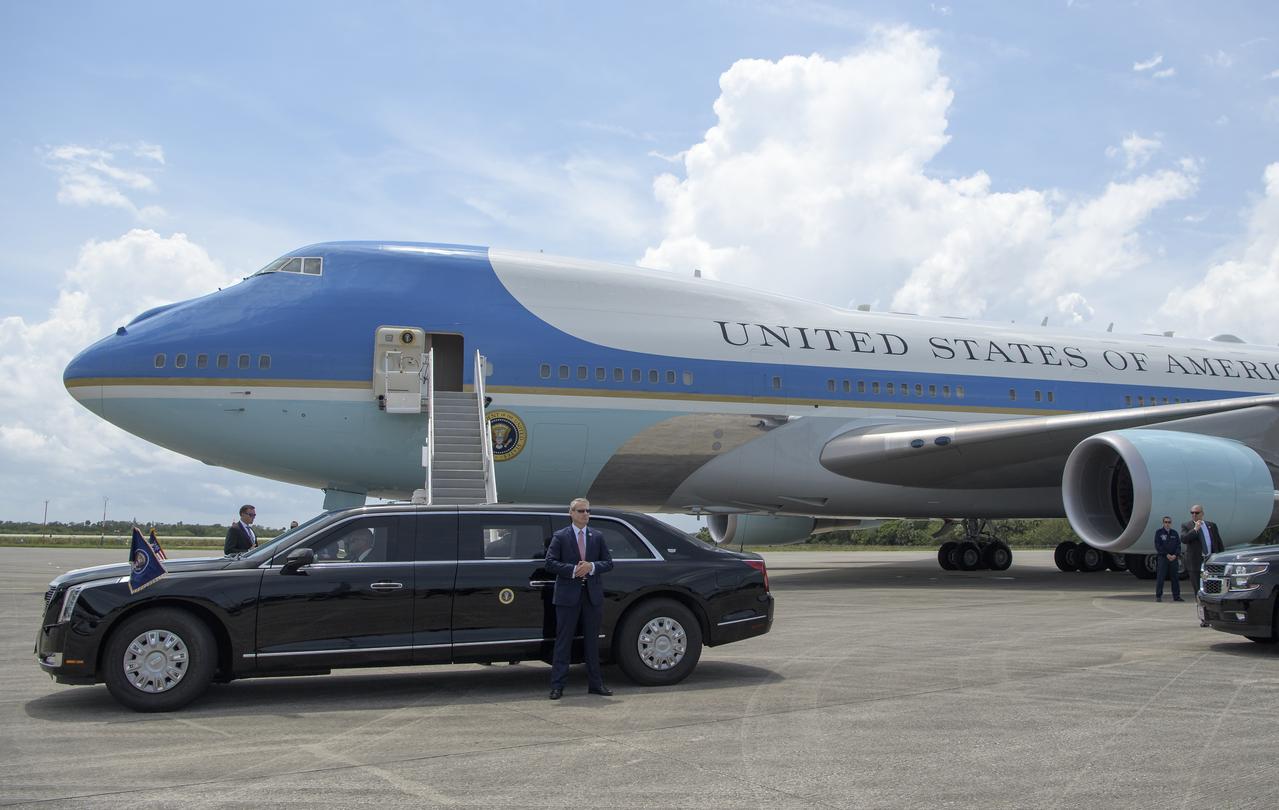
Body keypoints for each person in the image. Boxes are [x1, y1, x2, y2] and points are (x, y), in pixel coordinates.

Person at [545, 497, 614, 700]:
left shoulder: (597, 536)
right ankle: (557, 686)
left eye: (588, 511)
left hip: (591, 596)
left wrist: (591, 567)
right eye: (581, 511)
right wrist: (575, 570)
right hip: (567, 597)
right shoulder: (561, 536)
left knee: (592, 642)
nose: (585, 514)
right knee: (563, 642)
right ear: (571, 513)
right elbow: (550, 563)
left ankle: (596, 684)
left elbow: (608, 563)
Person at [1182, 504, 1225, 625]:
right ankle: (1204, 618)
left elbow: (1218, 542)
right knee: (1199, 592)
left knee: (1214, 590)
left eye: (1197, 513)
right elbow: (1184, 539)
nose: (1194, 515)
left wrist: (1221, 558)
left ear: (1202, 513)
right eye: (1192, 513)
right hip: (1195, 564)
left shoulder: (1211, 526)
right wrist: (1195, 529)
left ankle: (1215, 616)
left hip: (1211, 562)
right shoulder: (1187, 525)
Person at [1153, 516, 1182, 602]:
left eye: (1169, 522)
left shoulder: (1174, 533)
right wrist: (1166, 554)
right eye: (1166, 522)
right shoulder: (1159, 533)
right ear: (1163, 523)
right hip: (1163, 558)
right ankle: (1158, 596)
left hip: (1173, 559)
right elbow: (1158, 545)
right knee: (1160, 578)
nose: (1167, 524)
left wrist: (1175, 555)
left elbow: (1178, 545)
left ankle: (1176, 596)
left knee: (1175, 578)